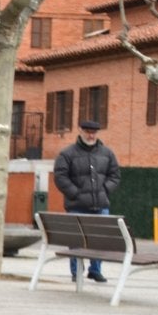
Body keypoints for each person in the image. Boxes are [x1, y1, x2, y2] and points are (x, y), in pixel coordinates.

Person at [53, 118, 121, 282]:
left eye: (94, 133)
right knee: (76, 241)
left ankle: (95, 270)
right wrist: (76, 193)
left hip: (101, 204)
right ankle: (77, 272)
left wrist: (104, 190)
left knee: (99, 240)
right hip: (77, 206)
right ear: (81, 131)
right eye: (88, 132)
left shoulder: (107, 153)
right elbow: (60, 177)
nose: (91, 136)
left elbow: (115, 176)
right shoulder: (67, 154)